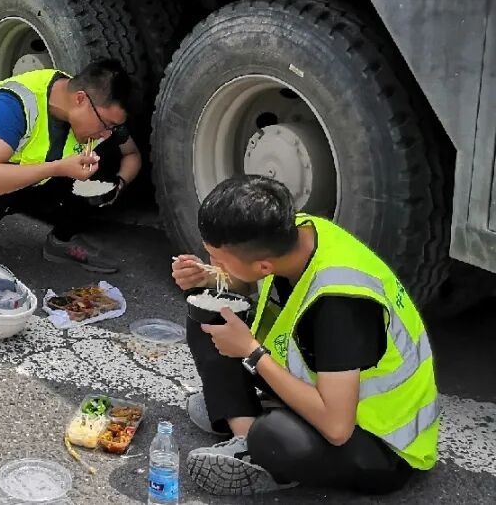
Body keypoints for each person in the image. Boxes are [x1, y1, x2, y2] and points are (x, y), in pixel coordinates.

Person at [173, 175, 439, 497]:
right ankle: (244, 437)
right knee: (209, 312)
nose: (213, 263)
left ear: (263, 266)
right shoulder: (294, 230)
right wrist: (207, 280)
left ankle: (259, 440)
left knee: (274, 436)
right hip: (323, 385)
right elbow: (247, 281)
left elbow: (338, 429)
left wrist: (251, 352)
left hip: (379, 443)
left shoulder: (339, 305)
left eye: (218, 259)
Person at [0, 59, 142, 276]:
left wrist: (118, 184)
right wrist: (58, 168)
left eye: (113, 127)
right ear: (80, 99)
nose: (106, 133)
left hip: (31, 184)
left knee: (103, 163)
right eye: (106, 124)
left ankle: (62, 240)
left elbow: (132, 155)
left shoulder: (96, 111)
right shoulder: (16, 103)